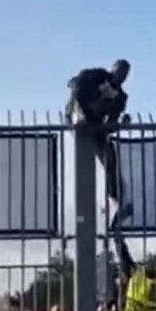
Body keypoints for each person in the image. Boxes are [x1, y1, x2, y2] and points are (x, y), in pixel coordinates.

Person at [64, 59, 134, 227]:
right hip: (79, 118)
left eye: (125, 74)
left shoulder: (121, 98)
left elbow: (111, 124)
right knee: (85, 155)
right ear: (113, 69)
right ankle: (89, 212)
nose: (122, 76)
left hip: (97, 127)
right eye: (120, 71)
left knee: (110, 159)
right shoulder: (96, 76)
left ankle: (116, 200)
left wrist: (119, 125)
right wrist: (75, 114)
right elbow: (75, 85)